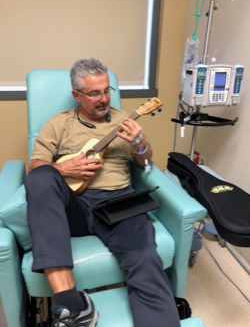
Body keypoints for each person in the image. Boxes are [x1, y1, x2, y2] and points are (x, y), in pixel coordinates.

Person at [25, 57, 181, 327]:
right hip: (71, 206)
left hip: (118, 203)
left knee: (145, 257)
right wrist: (66, 168)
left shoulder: (126, 123)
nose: (104, 98)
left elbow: (146, 165)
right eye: (95, 92)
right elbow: (35, 168)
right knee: (41, 177)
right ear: (77, 95)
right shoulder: (59, 123)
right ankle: (72, 303)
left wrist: (141, 146)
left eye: (107, 90)